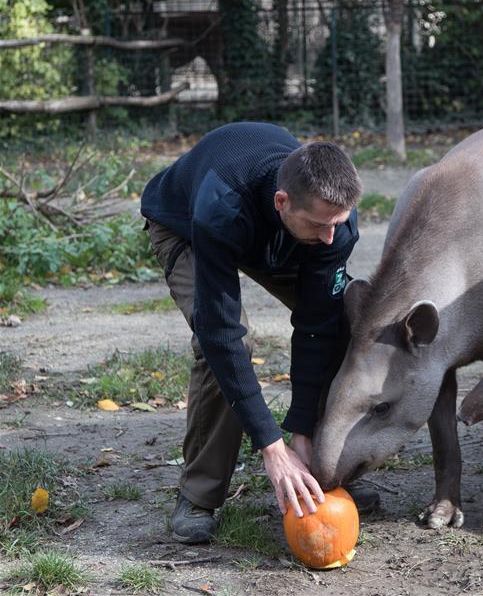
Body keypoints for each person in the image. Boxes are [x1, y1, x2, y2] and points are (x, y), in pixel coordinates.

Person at [141, 122, 378, 544]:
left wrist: (302, 431)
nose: (331, 238)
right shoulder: (221, 206)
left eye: (337, 225)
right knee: (230, 345)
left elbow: (317, 324)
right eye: (322, 225)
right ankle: (200, 494)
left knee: (345, 320)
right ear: (283, 201)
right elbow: (220, 332)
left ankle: (320, 467)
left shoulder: (331, 223)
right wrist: (271, 446)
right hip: (185, 225)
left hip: (280, 233)